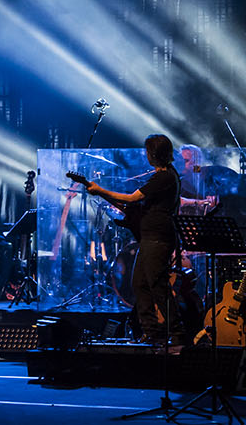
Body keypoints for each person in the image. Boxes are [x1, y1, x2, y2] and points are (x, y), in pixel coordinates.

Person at [83, 133, 179, 343]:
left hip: (158, 238)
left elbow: (133, 197)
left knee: (157, 285)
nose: (146, 155)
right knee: (140, 284)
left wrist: (100, 189)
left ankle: (176, 331)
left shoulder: (165, 177)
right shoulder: (164, 175)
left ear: (154, 153)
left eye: (147, 151)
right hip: (150, 238)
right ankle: (151, 331)